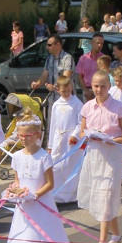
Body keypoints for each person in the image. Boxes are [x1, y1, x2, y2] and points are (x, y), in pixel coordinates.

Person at [0, 113, 83, 243]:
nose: (24, 139)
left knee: (42, 239)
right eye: (21, 136)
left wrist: (35, 195)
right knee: (23, 240)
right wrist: (15, 191)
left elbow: (50, 183)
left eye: (28, 136)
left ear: (37, 135)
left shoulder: (44, 157)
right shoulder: (18, 156)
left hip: (40, 203)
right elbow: (18, 179)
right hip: (24, 205)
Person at [77, 71, 122, 243]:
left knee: (107, 195)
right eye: (95, 86)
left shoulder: (119, 107)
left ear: (109, 87)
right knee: (104, 198)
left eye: (102, 86)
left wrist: (112, 141)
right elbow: (82, 131)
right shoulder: (87, 107)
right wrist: (89, 136)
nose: (99, 89)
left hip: (111, 158)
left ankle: (101, 241)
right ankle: (116, 235)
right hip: (94, 157)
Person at [48, 76, 84, 204]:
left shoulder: (77, 103)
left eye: (68, 90)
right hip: (59, 138)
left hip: (71, 140)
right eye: (63, 91)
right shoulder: (56, 105)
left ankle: (71, 195)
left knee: (70, 165)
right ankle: (57, 193)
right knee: (56, 166)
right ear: (58, 90)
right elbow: (52, 126)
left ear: (71, 88)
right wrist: (50, 144)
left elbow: (81, 122)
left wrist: (75, 135)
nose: (66, 93)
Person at [31, 35, 75, 111]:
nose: (47, 47)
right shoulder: (49, 58)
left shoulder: (67, 58)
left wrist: (54, 87)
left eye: (49, 45)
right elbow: (44, 75)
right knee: (51, 122)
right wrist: (37, 84)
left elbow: (66, 78)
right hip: (52, 99)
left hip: (66, 99)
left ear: (58, 45)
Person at [76, 33, 105, 101]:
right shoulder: (83, 58)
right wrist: (86, 90)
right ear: (92, 43)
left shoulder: (104, 59)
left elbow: (106, 76)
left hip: (100, 90)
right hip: (87, 90)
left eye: (101, 43)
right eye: (97, 43)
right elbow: (79, 76)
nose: (99, 45)